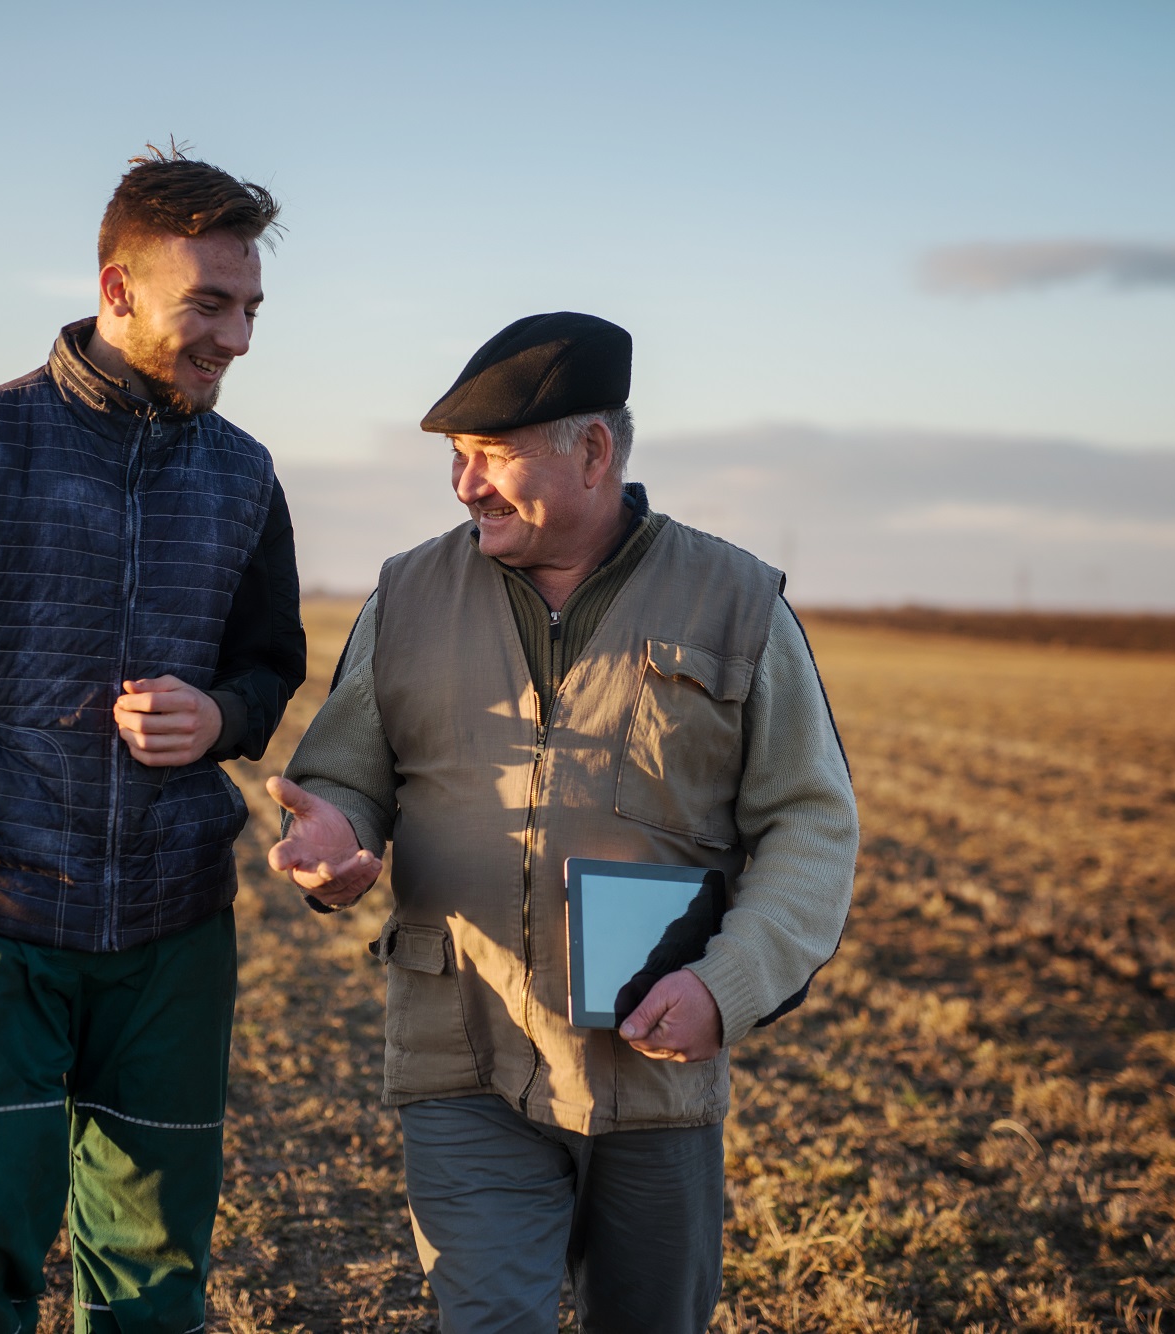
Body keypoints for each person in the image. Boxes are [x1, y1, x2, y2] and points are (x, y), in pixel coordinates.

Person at [266, 312, 858, 1333]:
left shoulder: (735, 600)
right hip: (461, 1048)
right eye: (456, 459)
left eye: (491, 456)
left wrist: (726, 986)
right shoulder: (406, 594)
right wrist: (332, 840)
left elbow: (809, 825)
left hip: (654, 1062)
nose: (464, 486)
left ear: (592, 451)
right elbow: (345, 773)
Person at [0, 149, 305, 1334]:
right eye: (209, 303)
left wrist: (223, 718)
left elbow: (269, 665)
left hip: (174, 935)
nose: (237, 337)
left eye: (249, 308)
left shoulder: (246, 477)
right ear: (117, 286)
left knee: (152, 1285)